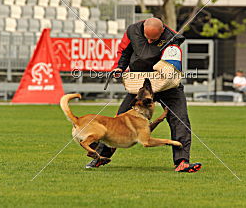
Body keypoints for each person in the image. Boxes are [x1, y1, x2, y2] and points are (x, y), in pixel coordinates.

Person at [86, 17, 202, 173]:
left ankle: (182, 161)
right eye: (146, 37)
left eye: (153, 39)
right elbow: (124, 52)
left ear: (162, 31)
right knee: (119, 120)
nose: (149, 41)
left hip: (167, 85)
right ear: (143, 28)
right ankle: (100, 156)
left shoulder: (172, 39)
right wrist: (119, 67)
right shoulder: (132, 31)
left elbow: (171, 63)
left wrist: (164, 72)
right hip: (140, 85)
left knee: (180, 120)